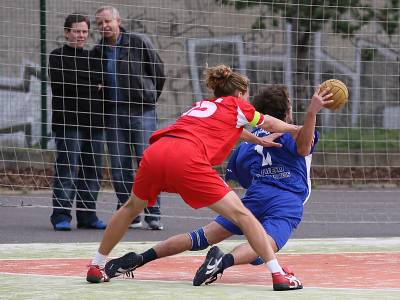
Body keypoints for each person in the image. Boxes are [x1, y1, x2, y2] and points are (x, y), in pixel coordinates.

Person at [85, 64, 323, 285]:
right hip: (190, 158)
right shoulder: (237, 105)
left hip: (157, 151)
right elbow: (272, 124)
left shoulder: (202, 106)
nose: (248, 100)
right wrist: (299, 126)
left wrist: (254, 139)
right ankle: (278, 275)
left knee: (130, 208)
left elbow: (231, 133)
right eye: (247, 95)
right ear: (240, 93)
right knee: (244, 216)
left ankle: (97, 265)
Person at [93, 6, 165, 230]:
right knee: (118, 165)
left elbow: (158, 72)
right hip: (114, 113)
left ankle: (153, 213)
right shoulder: (97, 51)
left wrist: (149, 97)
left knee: (147, 163)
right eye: (100, 23)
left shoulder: (138, 41)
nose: (104, 26)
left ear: (118, 21)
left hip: (142, 111)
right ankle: (130, 214)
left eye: (108, 21)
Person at [49, 14, 106, 231]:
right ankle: (61, 216)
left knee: (92, 170)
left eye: (84, 31)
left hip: (95, 123)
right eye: (76, 31)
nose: (80, 35)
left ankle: (87, 216)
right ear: (66, 32)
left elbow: (103, 84)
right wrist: (92, 86)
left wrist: (86, 83)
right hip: (69, 123)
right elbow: (65, 85)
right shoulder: (57, 57)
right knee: (68, 169)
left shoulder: (94, 57)